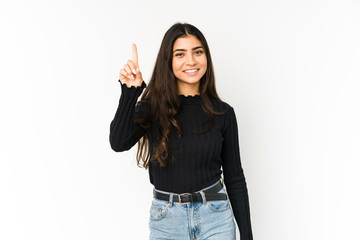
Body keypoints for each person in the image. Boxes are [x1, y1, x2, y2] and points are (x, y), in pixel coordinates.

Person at [109, 22, 253, 240]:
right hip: (167, 221)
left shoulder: (223, 113)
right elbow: (118, 142)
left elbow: (234, 178)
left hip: (216, 219)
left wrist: (247, 236)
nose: (191, 61)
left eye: (198, 52)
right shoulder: (152, 108)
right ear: (169, 61)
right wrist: (130, 92)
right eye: (180, 54)